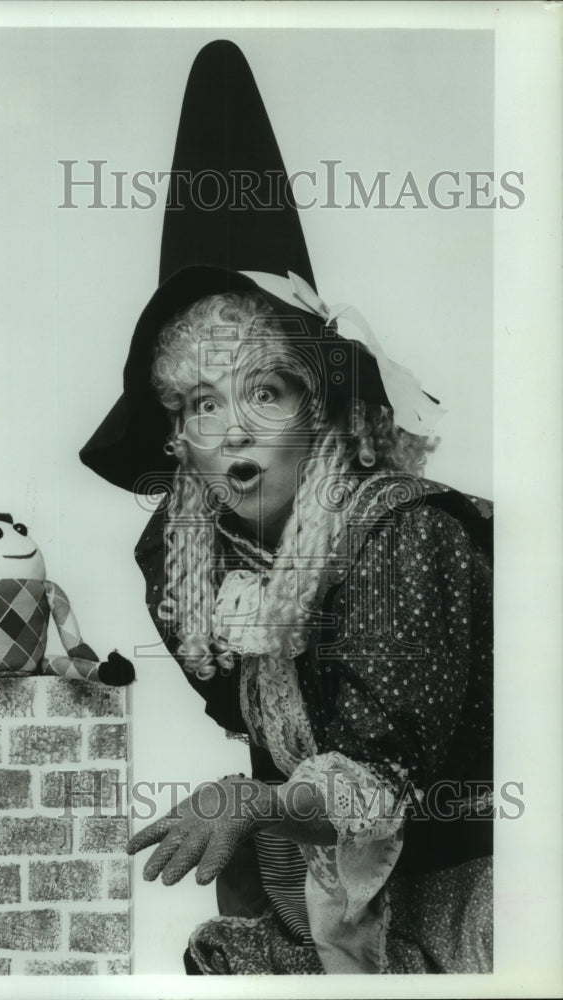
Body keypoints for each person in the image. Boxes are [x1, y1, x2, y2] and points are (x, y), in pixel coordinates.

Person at [79, 40, 493, 975]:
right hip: (331, 905)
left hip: (476, 901)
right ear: (178, 440)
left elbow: (384, 781)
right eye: (200, 403)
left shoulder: (406, 532)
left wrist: (255, 803)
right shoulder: (187, 566)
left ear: (321, 409)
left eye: (263, 391)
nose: (232, 428)